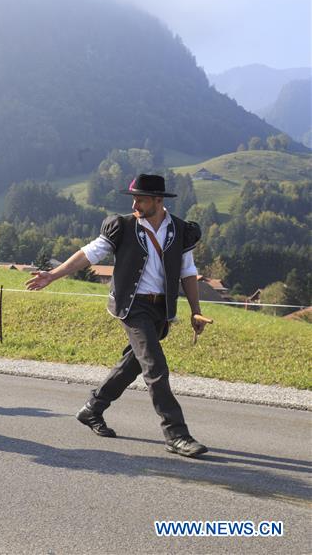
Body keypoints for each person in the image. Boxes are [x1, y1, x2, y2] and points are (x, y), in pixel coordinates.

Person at [25, 174, 209, 458]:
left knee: (133, 363)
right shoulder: (122, 226)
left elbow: (187, 271)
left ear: (158, 201)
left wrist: (196, 311)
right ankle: (176, 434)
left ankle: (93, 408)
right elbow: (90, 253)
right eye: (133, 199)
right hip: (132, 306)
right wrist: (53, 275)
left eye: (141, 200)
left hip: (161, 309)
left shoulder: (181, 230)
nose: (135, 204)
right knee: (155, 367)